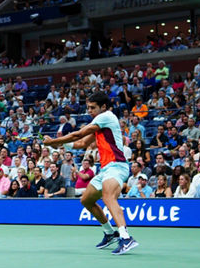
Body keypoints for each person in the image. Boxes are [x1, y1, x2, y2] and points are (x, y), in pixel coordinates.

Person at [42, 92, 137, 254]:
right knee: (86, 200)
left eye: (93, 108)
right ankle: (109, 233)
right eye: (88, 108)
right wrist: (62, 146)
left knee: (108, 197)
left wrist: (54, 142)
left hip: (117, 166)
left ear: (104, 107)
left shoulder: (106, 116)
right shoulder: (99, 124)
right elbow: (81, 143)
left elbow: (79, 134)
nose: (90, 111)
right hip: (105, 169)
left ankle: (126, 237)